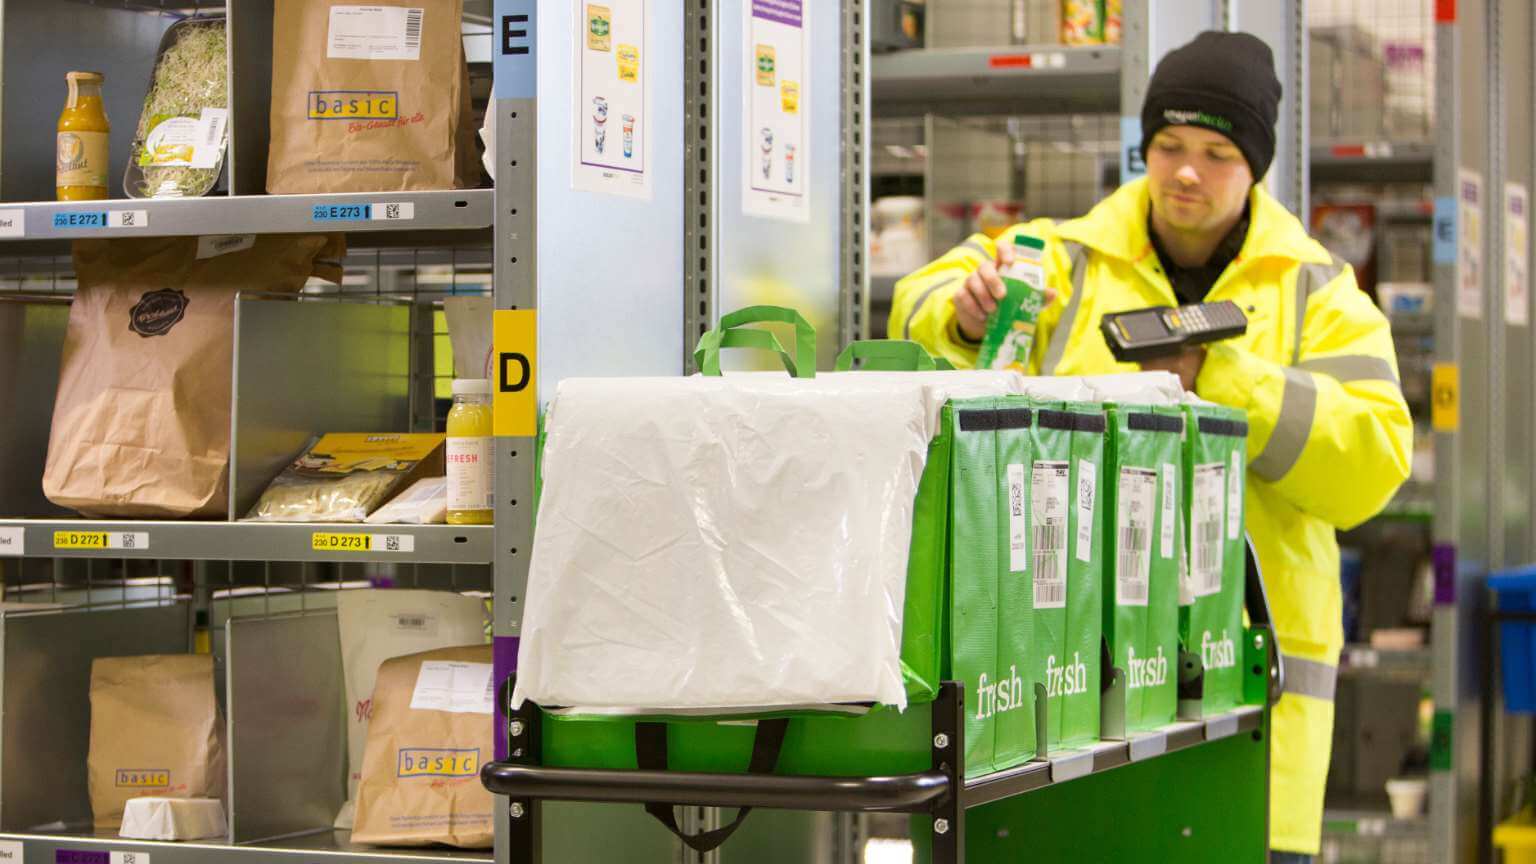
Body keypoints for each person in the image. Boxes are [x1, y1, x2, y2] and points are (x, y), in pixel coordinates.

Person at [888, 31, 1412, 863]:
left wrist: (1225, 380)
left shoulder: (1318, 293)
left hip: (1248, 724)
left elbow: (1374, 466)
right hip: (1063, 721)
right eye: (1167, 146)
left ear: (1257, 166)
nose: (1187, 172)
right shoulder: (1064, 261)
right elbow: (917, 302)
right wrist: (962, 312)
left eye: (1216, 151)